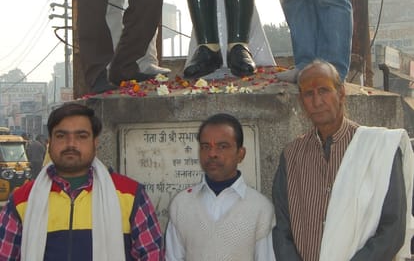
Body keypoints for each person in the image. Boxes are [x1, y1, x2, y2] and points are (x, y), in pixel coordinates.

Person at [272, 60, 414, 261]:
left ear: (341, 93)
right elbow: (282, 229)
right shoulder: (291, 156)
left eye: (324, 90)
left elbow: (392, 228)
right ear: (301, 102)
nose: (317, 101)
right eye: (309, 94)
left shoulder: (379, 148)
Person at [0, 102, 164, 260]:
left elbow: (152, 255)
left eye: (81, 136)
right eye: (61, 136)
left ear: (95, 142)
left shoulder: (131, 195)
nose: (71, 144)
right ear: (50, 142)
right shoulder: (22, 200)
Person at [165, 113, 275, 261]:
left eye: (222, 146)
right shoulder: (182, 204)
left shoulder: (260, 208)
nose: (212, 154)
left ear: (241, 154)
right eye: (205, 147)